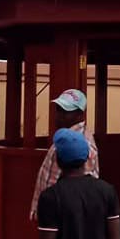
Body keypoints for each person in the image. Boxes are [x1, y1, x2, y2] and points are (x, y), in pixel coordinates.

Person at [30, 89, 99, 220]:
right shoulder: (66, 136)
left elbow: (82, 185)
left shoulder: (81, 143)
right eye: (58, 110)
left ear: (79, 114)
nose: (59, 116)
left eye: (65, 112)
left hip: (63, 213)